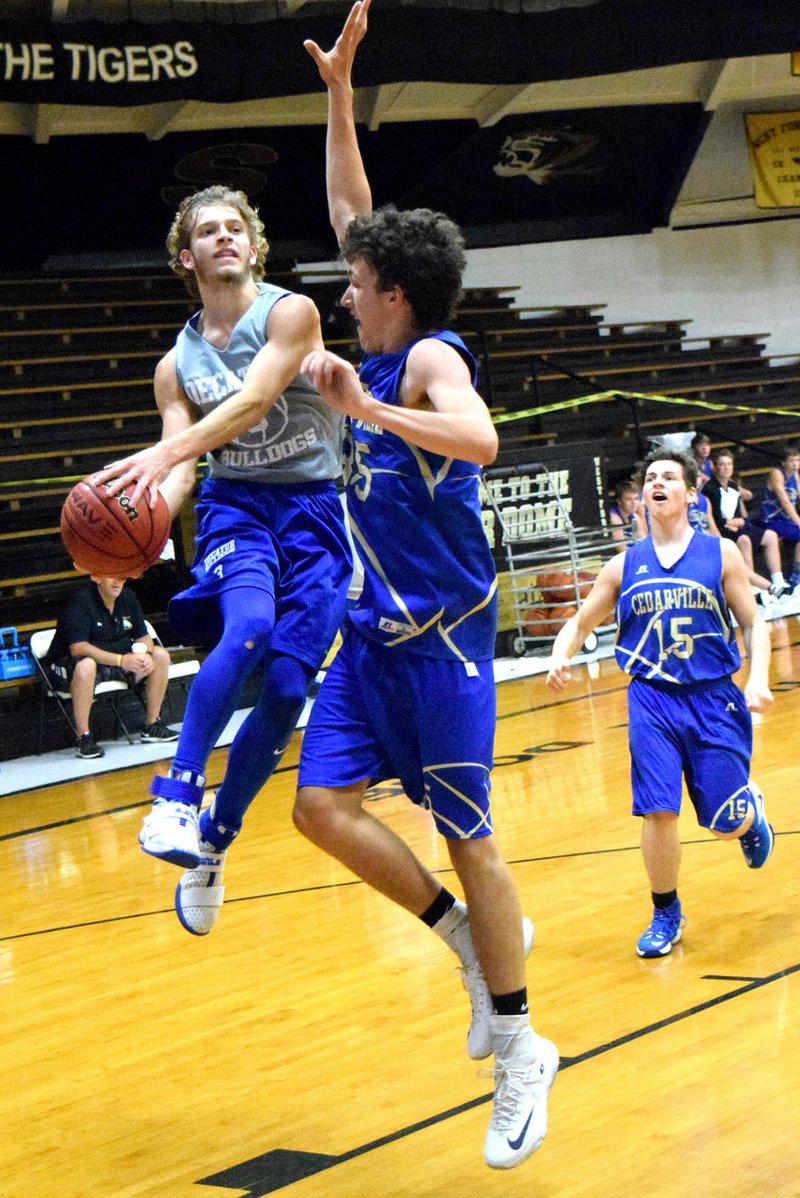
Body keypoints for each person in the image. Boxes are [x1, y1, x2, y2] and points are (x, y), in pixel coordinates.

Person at [291, 0, 557, 1172]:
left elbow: (484, 443)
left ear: (391, 295)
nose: (341, 289)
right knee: (316, 809)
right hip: (370, 635)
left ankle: (520, 1046)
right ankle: (458, 944)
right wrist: (341, 93)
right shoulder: (383, 304)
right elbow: (355, 209)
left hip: (444, 638)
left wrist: (363, 410)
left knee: (469, 835)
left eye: (356, 283)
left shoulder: (431, 356)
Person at [93, 184, 352, 930]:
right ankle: (176, 794)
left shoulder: (290, 313)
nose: (225, 237)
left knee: (284, 688)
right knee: (245, 628)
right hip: (236, 504)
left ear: (254, 243)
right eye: (209, 231)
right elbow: (178, 470)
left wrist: (165, 452)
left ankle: (214, 841)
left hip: (315, 514)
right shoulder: (175, 364)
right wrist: (139, 526)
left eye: (236, 227)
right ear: (188, 256)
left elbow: (253, 402)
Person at [547, 448, 774, 959]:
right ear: (643, 498)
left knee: (720, 821)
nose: (657, 483)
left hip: (713, 697)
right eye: (651, 478)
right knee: (659, 811)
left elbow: (754, 622)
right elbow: (581, 623)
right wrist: (560, 655)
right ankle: (666, 911)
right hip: (651, 699)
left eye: (669, 477)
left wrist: (756, 678)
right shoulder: (624, 564)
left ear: (691, 493)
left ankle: (747, 816)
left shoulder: (720, 555)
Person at [45, 575, 179, 759]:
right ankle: (83, 737)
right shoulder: (80, 602)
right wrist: (120, 660)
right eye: (111, 577)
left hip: (118, 661)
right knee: (87, 666)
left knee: (160, 655)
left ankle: (152, 725)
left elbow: (143, 637)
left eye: (122, 577)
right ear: (96, 577)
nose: (117, 582)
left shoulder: (128, 597)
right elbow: (78, 648)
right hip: (72, 666)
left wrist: (145, 655)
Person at [704, 447, 779, 597]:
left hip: (736, 526)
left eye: (729, 464)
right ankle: (751, 586)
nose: (726, 468)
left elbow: (740, 514)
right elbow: (719, 521)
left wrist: (736, 521)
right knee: (744, 540)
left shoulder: (733, 486)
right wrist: (734, 522)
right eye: (722, 464)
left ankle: (778, 580)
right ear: (715, 466)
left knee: (770, 535)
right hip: (722, 530)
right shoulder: (710, 489)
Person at [754, 443, 800, 594]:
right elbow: (784, 500)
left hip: (786, 521)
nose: (795, 464)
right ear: (783, 462)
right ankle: (796, 576)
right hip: (771, 520)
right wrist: (798, 521)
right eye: (792, 461)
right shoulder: (777, 473)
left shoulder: (795, 476)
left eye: (798, 461)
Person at [608, 479, 645, 548]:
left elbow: (645, 542)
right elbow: (621, 550)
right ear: (619, 501)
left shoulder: (635, 517)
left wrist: (642, 514)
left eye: (636, 498)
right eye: (629, 499)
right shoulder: (614, 518)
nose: (633, 503)